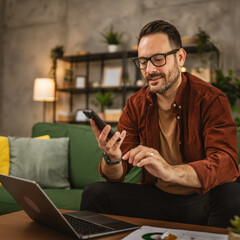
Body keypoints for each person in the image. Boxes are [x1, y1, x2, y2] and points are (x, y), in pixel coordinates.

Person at [80, 20, 240, 228]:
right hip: (158, 199)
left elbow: (226, 164)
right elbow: (117, 175)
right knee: (95, 193)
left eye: (157, 59)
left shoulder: (210, 99)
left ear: (180, 57)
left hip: (200, 200)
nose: (149, 70)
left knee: (232, 194)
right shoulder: (136, 104)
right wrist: (112, 159)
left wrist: (170, 171)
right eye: (143, 62)